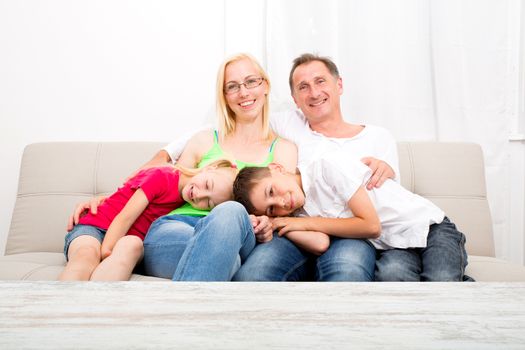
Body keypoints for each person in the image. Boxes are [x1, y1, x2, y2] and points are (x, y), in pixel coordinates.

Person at [69, 53, 298, 281]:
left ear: (265, 85)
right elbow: (170, 182)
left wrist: (268, 221)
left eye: (251, 82)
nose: (244, 92)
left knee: (230, 212)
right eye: (233, 86)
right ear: (225, 96)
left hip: (240, 234)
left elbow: (283, 206)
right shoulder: (205, 140)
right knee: (230, 260)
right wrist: (108, 199)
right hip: (176, 229)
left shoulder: (283, 150)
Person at [233, 53, 399, 281]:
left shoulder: (379, 137)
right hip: (297, 229)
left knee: (346, 270)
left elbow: (388, 202)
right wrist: (168, 152)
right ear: (295, 99)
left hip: (351, 234)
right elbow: (231, 125)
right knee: (255, 273)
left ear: (339, 84)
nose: (313, 93)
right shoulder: (291, 125)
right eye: (303, 87)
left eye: (320, 81)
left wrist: (387, 168)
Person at [233, 152, 470, 281]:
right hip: (393, 247)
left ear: (277, 169)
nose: (282, 202)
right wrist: (278, 224)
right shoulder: (299, 211)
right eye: (272, 208)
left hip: (429, 227)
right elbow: (321, 243)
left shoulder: (325, 169)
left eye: (272, 191)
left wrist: (298, 222)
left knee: (441, 280)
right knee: (392, 277)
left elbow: (371, 226)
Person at [59, 160, 237, 281]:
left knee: (133, 244)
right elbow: (125, 216)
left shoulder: (184, 205)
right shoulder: (163, 175)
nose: (199, 195)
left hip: (123, 240)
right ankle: (56, 310)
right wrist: (106, 250)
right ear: (208, 168)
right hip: (95, 226)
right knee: (86, 255)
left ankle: (92, 308)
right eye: (207, 185)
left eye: (207, 202)